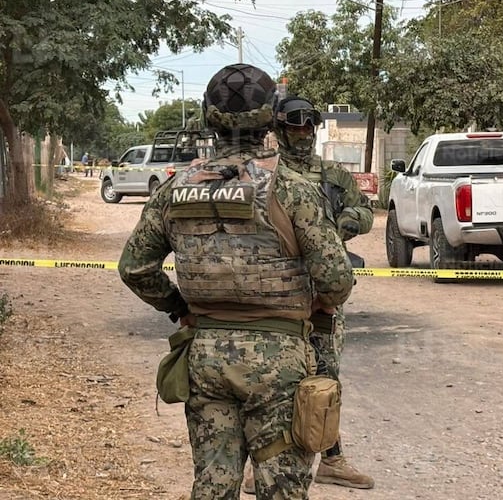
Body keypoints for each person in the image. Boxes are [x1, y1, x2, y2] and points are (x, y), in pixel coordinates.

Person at [118, 63, 354, 500]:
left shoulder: (176, 188)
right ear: (270, 119)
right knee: (281, 489)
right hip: (279, 362)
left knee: (213, 484)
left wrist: (179, 307)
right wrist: (319, 303)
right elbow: (337, 280)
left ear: (208, 116)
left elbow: (135, 268)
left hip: (205, 357)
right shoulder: (292, 188)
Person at [243, 95, 374, 493]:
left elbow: (364, 211)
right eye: (294, 126)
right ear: (279, 130)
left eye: (308, 126)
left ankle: (332, 459)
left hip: (322, 293)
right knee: (270, 380)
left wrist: (340, 224)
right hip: (277, 293)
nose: (302, 133)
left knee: (326, 377)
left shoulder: (332, 174)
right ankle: (259, 465)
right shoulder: (264, 175)